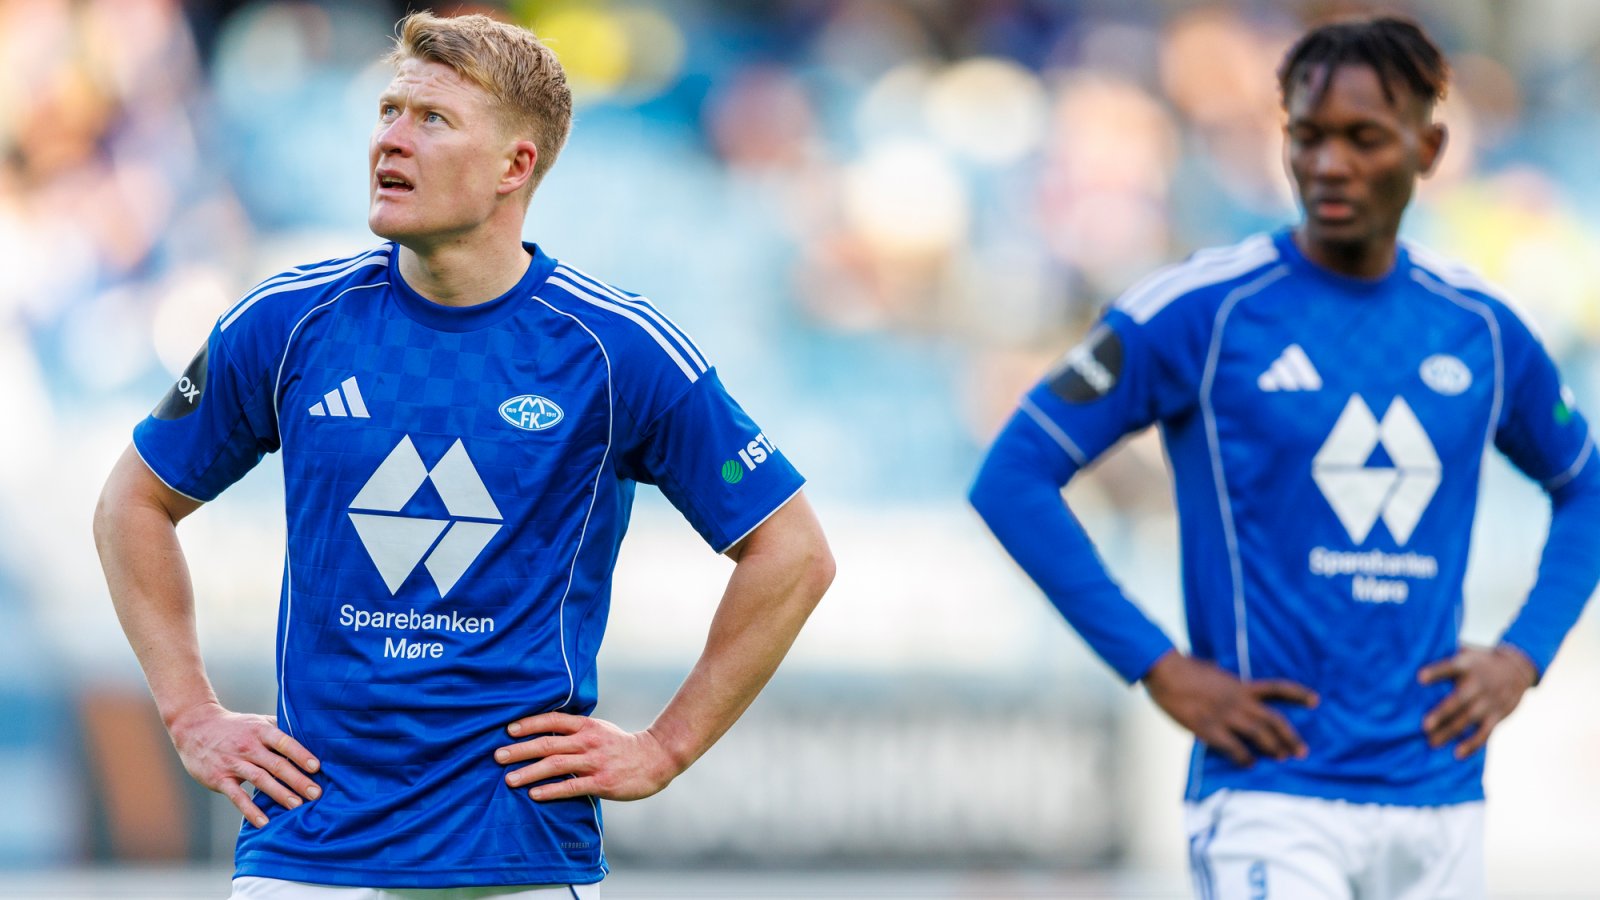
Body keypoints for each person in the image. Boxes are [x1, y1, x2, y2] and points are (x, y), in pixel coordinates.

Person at [93, 11, 833, 897]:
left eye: (432, 119)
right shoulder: (285, 323)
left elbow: (793, 552)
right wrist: (190, 715)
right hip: (308, 850)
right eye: (388, 112)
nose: (390, 140)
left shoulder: (614, 349)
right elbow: (132, 503)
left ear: (515, 166)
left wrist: (665, 748)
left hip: (517, 855)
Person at [969, 14, 1600, 899]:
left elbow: (1587, 489)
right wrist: (1157, 666)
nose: (1329, 164)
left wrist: (1523, 655)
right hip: (1271, 795)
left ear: (1428, 148)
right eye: (1308, 137)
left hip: (1440, 799)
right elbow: (1013, 476)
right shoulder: (1201, 310)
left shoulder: (1482, 328)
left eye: (1363, 139)